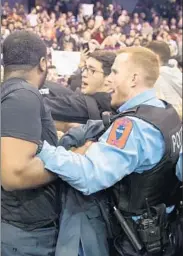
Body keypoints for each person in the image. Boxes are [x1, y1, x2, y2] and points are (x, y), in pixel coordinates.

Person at [37, 46, 182, 255]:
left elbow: (89, 175)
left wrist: (43, 150)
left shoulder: (133, 127)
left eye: (114, 72)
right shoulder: (166, 113)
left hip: (134, 240)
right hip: (162, 231)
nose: (109, 80)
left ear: (133, 79)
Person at [1, 31, 60, 256]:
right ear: (43, 63)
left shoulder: (10, 93)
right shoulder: (23, 95)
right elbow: (14, 175)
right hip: (25, 234)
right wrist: (72, 157)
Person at [44, 51, 116, 132]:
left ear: (108, 78)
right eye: (85, 68)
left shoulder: (84, 104)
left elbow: (41, 105)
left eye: (92, 70)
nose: (84, 74)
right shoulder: (118, 105)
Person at [146, 41, 182, 118]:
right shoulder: (176, 72)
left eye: (146, 56)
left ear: (156, 57)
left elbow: (158, 111)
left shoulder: (158, 78)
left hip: (169, 121)